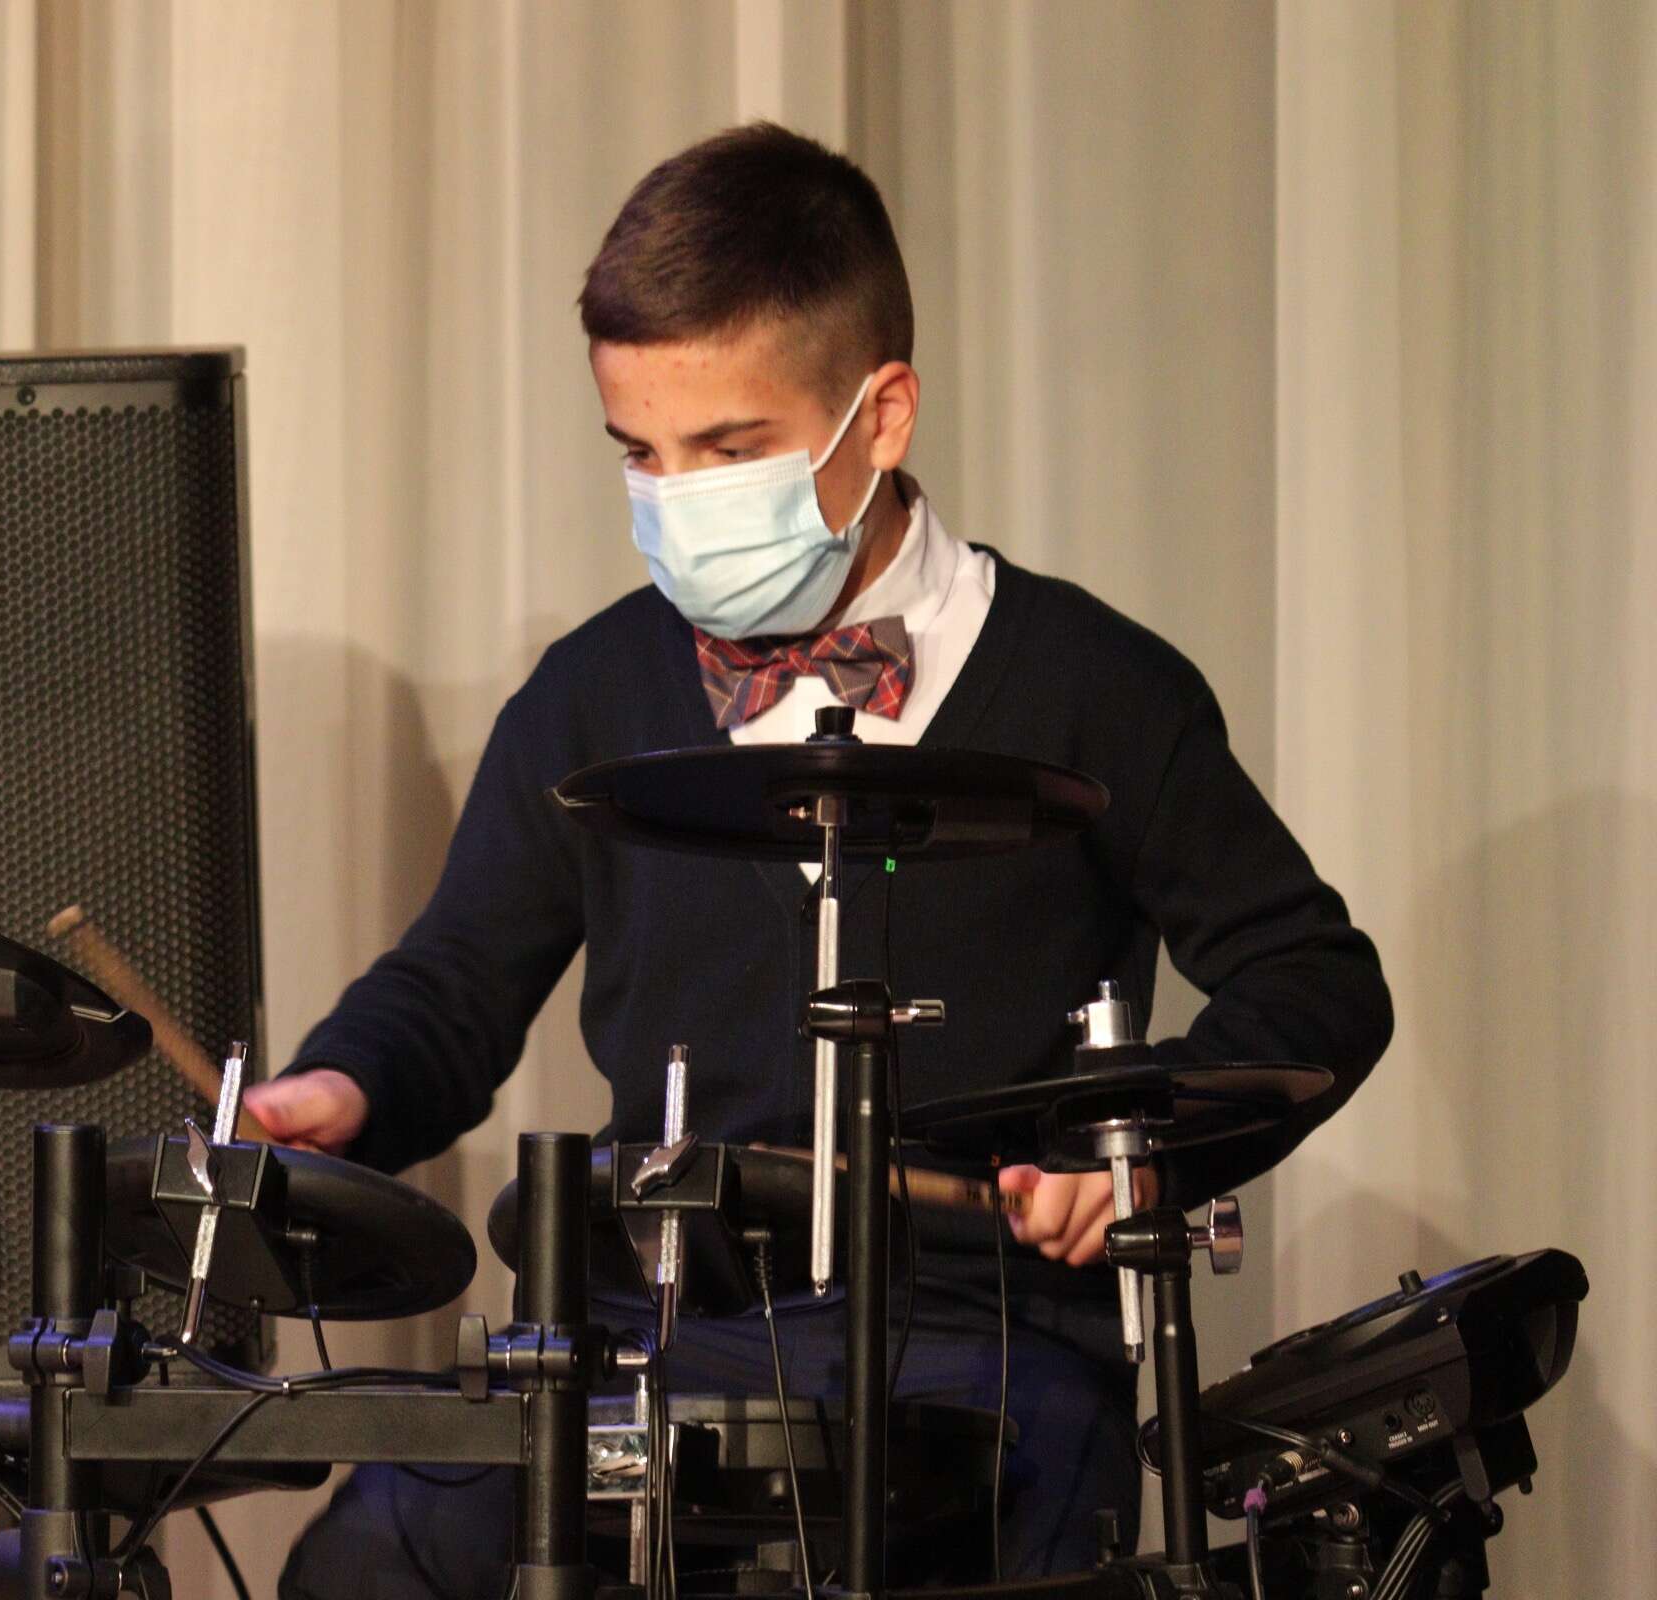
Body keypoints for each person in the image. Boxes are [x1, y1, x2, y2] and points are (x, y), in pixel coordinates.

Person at [248, 122, 1393, 1593]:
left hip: (986, 1346)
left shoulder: (1100, 688)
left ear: (884, 415)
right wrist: (345, 1084)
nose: (677, 500)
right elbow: (457, 980)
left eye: (730, 452)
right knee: (379, 1551)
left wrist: (1141, 1152)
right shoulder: (593, 692)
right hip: (657, 1326)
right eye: (642, 455)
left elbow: (1314, 982)